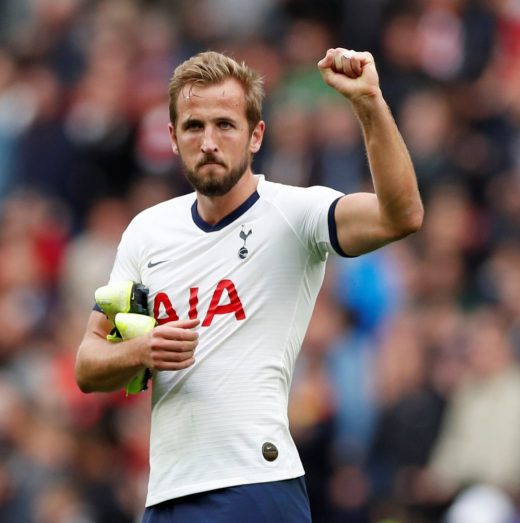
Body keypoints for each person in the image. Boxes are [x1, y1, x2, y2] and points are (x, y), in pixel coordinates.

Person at [74, 48, 423, 522]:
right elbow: (88, 364)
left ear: (255, 135)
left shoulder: (293, 214)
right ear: (173, 138)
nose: (209, 141)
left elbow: (401, 216)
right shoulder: (146, 231)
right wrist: (141, 351)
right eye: (194, 127)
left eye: (225, 124)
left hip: (254, 486)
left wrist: (369, 104)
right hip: (167, 495)